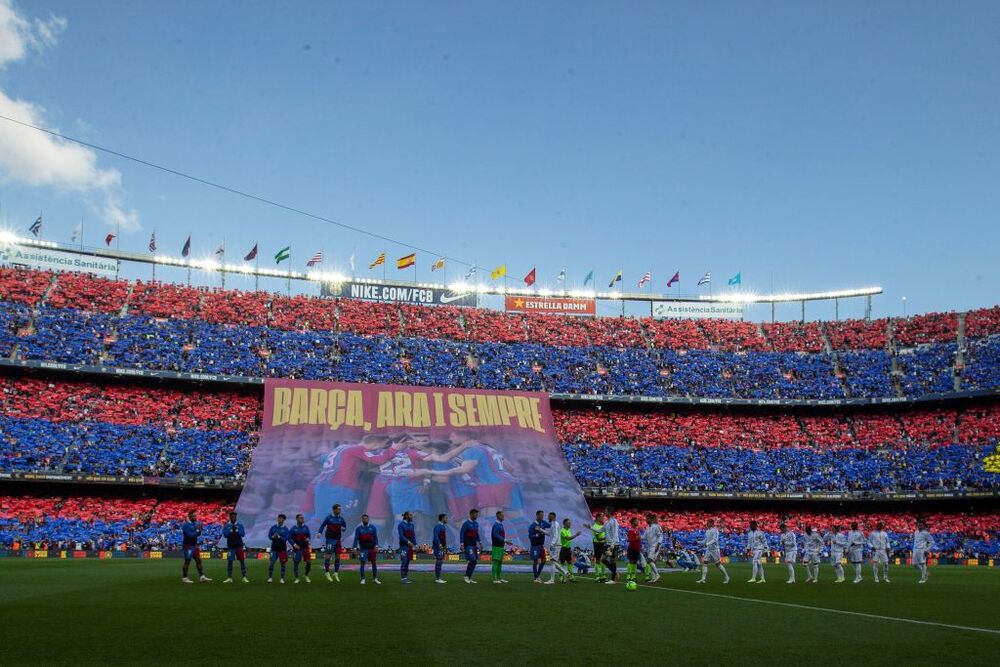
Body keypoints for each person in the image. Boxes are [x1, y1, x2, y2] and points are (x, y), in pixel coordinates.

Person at [317, 503, 348, 583]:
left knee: (338, 557)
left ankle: (336, 573)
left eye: (340, 509)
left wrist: (343, 529)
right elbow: (322, 525)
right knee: (328, 556)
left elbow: (345, 526)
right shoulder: (329, 518)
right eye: (338, 509)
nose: (339, 510)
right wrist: (319, 532)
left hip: (338, 540)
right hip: (330, 539)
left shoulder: (341, 519)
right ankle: (327, 572)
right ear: (334, 510)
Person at [180, 510, 211, 584]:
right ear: (189, 517)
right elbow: (190, 535)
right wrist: (197, 530)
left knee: (198, 560)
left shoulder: (195, 523)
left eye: (195, 515)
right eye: (193, 516)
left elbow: (198, 534)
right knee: (187, 561)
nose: (195, 517)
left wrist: (199, 529)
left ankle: (202, 577)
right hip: (188, 546)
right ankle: (185, 578)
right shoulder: (185, 525)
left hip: (194, 545)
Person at [697, 518, 729, 584]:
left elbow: (715, 540)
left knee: (718, 565)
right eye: (707, 522)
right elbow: (705, 540)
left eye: (708, 522)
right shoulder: (707, 531)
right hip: (708, 549)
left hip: (715, 550)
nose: (706, 523)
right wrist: (699, 542)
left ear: (711, 524)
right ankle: (703, 579)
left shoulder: (715, 530)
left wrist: (707, 544)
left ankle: (727, 577)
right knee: (705, 563)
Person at [353, 513, 381, 585]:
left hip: (372, 549)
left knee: (374, 563)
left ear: (368, 519)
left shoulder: (373, 527)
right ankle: (362, 579)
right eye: (364, 518)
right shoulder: (359, 529)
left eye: (366, 518)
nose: (365, 520)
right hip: (363, 549)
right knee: (362, 563)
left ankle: (375, 578)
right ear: (362, 520)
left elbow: (375, 538)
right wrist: (355, 548)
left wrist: (376, 546)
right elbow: (356, 539)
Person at [222, 511, 249, 584]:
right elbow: (225, 535)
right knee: (230, 562)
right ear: (230, 517)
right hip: (231, 547)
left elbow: (243, 534)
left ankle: (244, 577)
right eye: (232, 516)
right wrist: (231, 530)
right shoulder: (227, 525)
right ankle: (229, 578)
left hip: (239, 546)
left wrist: (236, 530)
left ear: (236, 517)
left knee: (242, 561)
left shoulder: (240, 525)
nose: (233, 518)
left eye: (234, 516)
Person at [459, 508, 483, 584]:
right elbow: (462, 533)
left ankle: (469, 577)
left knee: (475, 561)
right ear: (471, 514)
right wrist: (462, 544)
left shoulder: (476, 524)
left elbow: (477, 534)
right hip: (468, 545)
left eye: (477, 514)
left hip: (474, 545)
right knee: (472, 559)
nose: (476, 515)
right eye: (475, 514)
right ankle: (466, 576)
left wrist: (480, 543)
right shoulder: (466, 524)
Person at [585, 512, 609, 583]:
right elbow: (598, 539)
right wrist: (606, 538)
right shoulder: (595, 526)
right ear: (598, 518)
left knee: (603, 559)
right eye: (602, 517)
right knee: (598, 559)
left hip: (603, 544)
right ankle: (598, 575)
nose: (603, 518)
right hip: (597, 544)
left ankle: (603, 575)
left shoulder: (603, 526)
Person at [267, 513, 290, 584]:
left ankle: (282, 578)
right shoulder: (273, 527)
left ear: (284, 520)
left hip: (282, 549)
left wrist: (279, 537)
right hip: (274, 548)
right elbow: (269, 536)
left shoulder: (286, 529)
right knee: (271, 563)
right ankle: (270, 578)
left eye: (281, 518)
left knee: (283, 564)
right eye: (279, 518)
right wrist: (273, 537)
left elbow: (286, 539)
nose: (280, 519)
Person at [289, 513, 313, 584]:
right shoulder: (293, 528)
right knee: (296, 563)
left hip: (305, 548)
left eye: (303, 518)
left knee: (309, 562)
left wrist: (308, 540)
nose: (302, 519)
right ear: (297, 519)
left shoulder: (306, 527)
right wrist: (294, 544)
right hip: (297, 549)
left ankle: (306, 575)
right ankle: (297, 578)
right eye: (300, 518)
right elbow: (289, 538)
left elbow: (309, 536)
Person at [545, 511, 567, 584]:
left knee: (552, 562)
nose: (548, 517)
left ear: (552, 516)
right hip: (556, 545)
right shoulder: (553, 524)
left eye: (549, 516)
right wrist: (541, 530)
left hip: (555, 545)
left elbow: (556, 535)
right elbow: (549, 534)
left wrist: (552, 544)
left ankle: (552, 580)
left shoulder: (555, 524)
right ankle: (565, 572)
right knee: (553, 562)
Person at [528, 510, 549, 583]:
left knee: (544, 560)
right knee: (535, 561)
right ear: (537, 515)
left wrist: (551, 520)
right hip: (535, 546)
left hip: (541, 545)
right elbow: (530, 536)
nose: (542, 517)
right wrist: (537, 535)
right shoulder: (532, 525)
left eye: (543, 515)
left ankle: (537, 576)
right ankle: (535, 578)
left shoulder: (543, 523)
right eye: (540, 515)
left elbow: (550, 525)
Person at [912, 519, 936, 584]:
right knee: (914, 564)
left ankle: (923, 578)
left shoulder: (926, 533)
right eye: (919, 525)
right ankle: (926, 573)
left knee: (922, 563)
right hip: (915, 550)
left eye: (921, 525)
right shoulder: (916, 532)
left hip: (922, 550)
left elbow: (932, 542)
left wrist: (927, 550)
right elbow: (915, 541)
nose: (919, 526)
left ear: (923, 526)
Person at [490, 510, 511, 584]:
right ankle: (494, 579)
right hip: (496, 547)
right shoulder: (496, 525)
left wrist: (506, 541)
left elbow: (500, 536)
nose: (503, 517)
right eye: (502, 515)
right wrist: (505, 540)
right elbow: (495, 535)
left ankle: (499, 578)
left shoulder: (500, 525)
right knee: (496, 562)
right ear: (498, 516)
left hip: (501, 546)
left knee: (499, 562)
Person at [559, 518, 581, 582]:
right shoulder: (562, 531)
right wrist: (576, 535)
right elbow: (568, 538)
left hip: (568, 548)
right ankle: (561, 577)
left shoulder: (568, 530)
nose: (570, 524)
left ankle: (571, 577)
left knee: (569, 562)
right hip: (563, 548)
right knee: (562, 563)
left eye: (570, 522)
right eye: (568, 523)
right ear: (564, 523)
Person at [397, 511, 417, 584]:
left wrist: (416, 544)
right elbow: (401, 536)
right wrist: (408, 542)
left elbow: (413, 536)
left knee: (407, 562)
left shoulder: (411, 525)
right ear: (406, 516)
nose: (412, 516)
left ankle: (405, 577)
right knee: (404, 562)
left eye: (412, 515)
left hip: (410, 547)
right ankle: (403, 578)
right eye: (410, 515)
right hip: (403, 547)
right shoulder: (401, 525)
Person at [643, 514, 663, 583]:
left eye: (647, 518)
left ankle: (657, 574)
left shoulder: (656, 526)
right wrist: (638, 537)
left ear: (651, 519)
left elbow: (660, 536)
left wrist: (658, 544)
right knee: (651, 562)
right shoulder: (647, 527)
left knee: (649, 560)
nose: (646, 520)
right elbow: (644, 537)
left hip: (655, 545)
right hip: (650, 546)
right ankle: (653, 578)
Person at [602, 508, 620, 584]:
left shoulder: (614, 521)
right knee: (603, 559)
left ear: (609, 512)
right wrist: (590, 528)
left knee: (612, 560)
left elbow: (615, 533)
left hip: (613, 544)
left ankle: (613, 579)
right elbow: (601, 530)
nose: (604, 512)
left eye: (606, 511)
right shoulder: (607, 522)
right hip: (608, 544)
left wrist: (612, 544)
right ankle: (615, 573)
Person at [625, 518, 642, 586]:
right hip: (632, 548)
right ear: (632, 523)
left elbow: (638, 539)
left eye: (638, 521)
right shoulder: (630, 530)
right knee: (631, 561)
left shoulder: (637, 530)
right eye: (636, 521)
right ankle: (628, 576)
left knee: (635, 562)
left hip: (637, 548)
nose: (638, 522)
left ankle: (633, 576)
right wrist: (637, 538)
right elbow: (631, 539)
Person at [432, 513, 448, 584]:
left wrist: (445, 545)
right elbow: (436, 536)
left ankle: (438, 578)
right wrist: (439, 544)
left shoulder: (443, 526)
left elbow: (443, 537)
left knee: (440, 561)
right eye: (445, 518)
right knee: (439, 561)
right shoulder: (438, 526)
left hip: (441, 546)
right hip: (438, 547)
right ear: (442, 519)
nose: (446, 519)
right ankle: (438, 578)